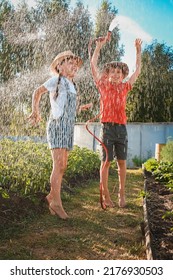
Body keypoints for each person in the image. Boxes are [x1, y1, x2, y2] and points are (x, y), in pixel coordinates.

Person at [27, 50, 92, 219]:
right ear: (59, 66)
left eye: (76, 64)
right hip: (57, 126)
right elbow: (37, 92)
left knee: (63, 165)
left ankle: (51, 196)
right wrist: (36, 111)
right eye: (70, 63)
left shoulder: (72, 85)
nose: (75, 66)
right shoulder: (56, 80)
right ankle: (56, 203)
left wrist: (80, 108)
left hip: (67, 127)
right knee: (58, 165)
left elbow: (65, 105)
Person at [90, 33, 142, 208]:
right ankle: (106, 196)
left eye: (118, 72)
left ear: (122, 75)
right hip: (107, 128)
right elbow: (93, 65)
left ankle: (121, 194)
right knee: (106, 162)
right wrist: (98, 47)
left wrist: (138, 51)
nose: (115, 74)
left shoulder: (125, 87)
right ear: (108, 74)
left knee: (122, 162)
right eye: (112, 71)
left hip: (121, 129)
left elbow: (137, 71)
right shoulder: (103, 85)